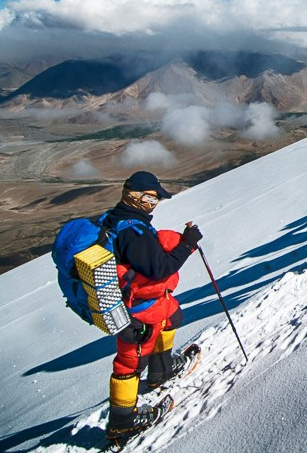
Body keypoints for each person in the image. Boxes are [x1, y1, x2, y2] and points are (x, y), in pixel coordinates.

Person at [102, 171, 202, 443]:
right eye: (151, 198)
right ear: (135, 196)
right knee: (130, 362)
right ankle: (122, 422)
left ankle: (162, 370)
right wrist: (188, 245)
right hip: (135, 310)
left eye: (156, 198)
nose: (154, 203)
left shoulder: (117, 220)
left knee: (172, 317)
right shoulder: (133, 232)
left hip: (150, 301)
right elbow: (160, 269)